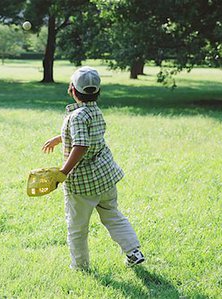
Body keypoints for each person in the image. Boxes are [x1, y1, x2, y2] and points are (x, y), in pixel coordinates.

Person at [42, 66, 145, 270]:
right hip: (105, 176)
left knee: (77, 227)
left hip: (83, 184)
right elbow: (86, 136)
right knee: (112, 214)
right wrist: (59, 138)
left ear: (72, 89)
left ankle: (80, 266)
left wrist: (63, 172)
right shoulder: (94, 111)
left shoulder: (77, 116)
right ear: (98, 92)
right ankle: (133, 251)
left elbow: (81, 145)